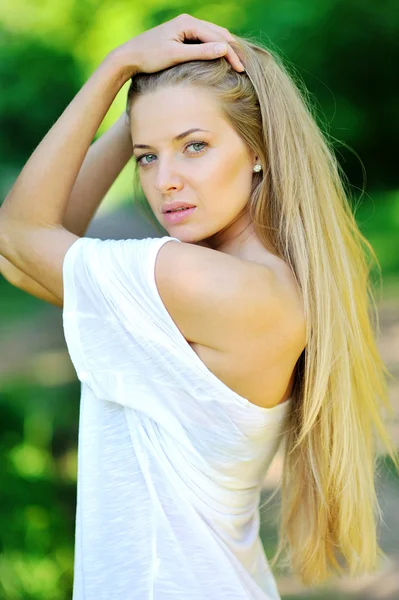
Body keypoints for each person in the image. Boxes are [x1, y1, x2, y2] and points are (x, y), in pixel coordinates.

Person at [0, 12, 398, 600]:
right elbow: (24, 255)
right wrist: (145, 110)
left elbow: (18, 236)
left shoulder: (202, 283)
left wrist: (117, 68)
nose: (166, 181)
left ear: (258, 151)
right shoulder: (266, 281)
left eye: (195, 146)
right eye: (147, 157)